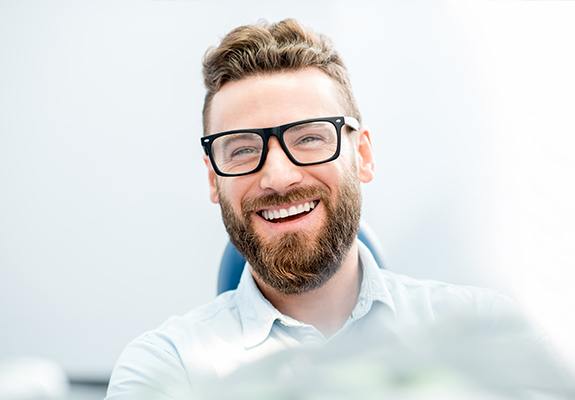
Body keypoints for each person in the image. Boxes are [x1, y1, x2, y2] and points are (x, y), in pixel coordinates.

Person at [105, 19, 515, 399]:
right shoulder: (166, 369)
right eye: (244, 149)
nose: (279, 177)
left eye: (309, 139)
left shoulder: (484, 333)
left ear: (364, 156)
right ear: (214, 180)